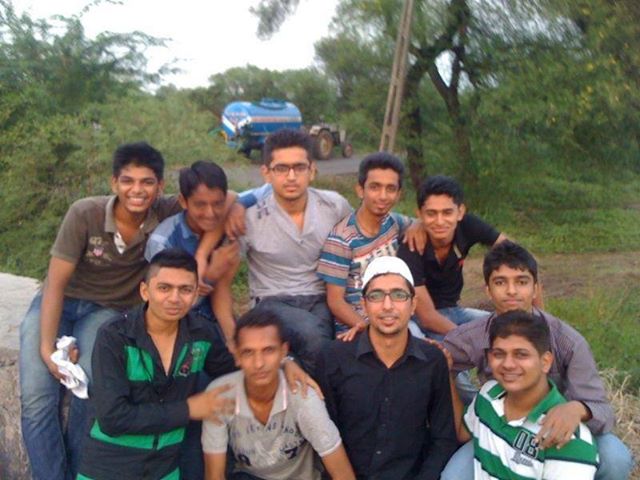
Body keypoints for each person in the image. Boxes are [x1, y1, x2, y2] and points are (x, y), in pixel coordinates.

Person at [77, 249, 319, 480]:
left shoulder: (200, 333)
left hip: (164, 470)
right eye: (164, 288)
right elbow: (112, 418)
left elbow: (240, 366)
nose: (174, 298)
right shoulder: (115, 336)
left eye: (185, 290)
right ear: (145, 291)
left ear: (195, 295)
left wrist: (285, 362)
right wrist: (188, 409)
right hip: (108, 467)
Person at [19, 141, 182, 480]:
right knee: (37, 397)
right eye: (128, 181)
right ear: (114, 183)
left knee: (92, 387)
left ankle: (81, 472)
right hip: (62, 301)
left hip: (108, 310)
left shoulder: (164, 213)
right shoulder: (85, 213)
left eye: (147, 182)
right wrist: (48, 351)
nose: (137, 190)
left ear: (160, 186)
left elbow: (217, 195)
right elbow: (55, 284)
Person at [440, 241, 634, 480]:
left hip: (556, 429)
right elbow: (438, 359)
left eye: (521, 282)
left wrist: (576, 409)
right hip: (499, 426)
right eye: (500, 282)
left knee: (615, 457)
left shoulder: (568, 342)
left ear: (535, 289)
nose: (511, 291)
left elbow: (602, 409)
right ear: (488, 290)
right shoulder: (472, 336)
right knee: (453, 476)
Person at [316, 256, 458, 479]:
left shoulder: (432, 361)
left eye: (399, 295)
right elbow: (323, 433)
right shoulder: (334, 357)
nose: (388, 306)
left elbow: (443, 438)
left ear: (413, 305)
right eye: (376, 296)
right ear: (364, 304)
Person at [235, 128, 352, 371]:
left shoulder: (333, 206)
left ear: (312, 170)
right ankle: (316, 392)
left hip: (321, 295)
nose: (291, 177)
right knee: (314, 336)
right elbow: (224, 268)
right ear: (266, 173)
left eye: (299, 167)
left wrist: (414, 225)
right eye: (281, 168)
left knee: (343, 338)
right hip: (272, 299)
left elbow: (366, 229)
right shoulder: (249, 216)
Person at [202, 309, 356, 480]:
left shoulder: (302, 396)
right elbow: (214, 475)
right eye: (248, 352)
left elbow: (342, 472)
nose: (259, 363)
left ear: (283, 352)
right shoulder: (220, 396)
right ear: (237, 355)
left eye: (268, 350)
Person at [450, 310, 599, 479]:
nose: (508, 364)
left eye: (521, 355)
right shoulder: (488, 395)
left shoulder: (567, 437)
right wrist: (447, 373)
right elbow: (463, 431)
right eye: (499, 354)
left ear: (545, 362)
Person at [317, 152, 444, 338]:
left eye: (390, 189)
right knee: (421, 342)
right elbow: (336, 302)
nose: (383, 196)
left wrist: (418, 225)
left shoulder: (393, 223)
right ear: (360, 190)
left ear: (399, 194)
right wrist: (368, 327)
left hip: (397, 315)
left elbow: (421, 223)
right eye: (375, 187)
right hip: (358, 327)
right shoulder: (341, 239)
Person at [397, 174, 507, 338]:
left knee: (505, 328)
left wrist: (539, 316)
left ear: (460, 212)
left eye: (447, 212)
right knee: (424, 346)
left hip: (454, 311)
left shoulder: (468, 225)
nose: (440, 221)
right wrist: (466, 339)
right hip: (416, 318)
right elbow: (427, 317)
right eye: (431, 214)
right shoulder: (410, 247)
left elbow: (517, 254)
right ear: (420, 214)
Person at [144, 160, 239, 347]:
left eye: (218, 204)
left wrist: (233, 341)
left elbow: (222, 291)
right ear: (183, 201)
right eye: (200, 205)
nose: (210, 213)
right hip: (174, 326)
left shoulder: (225, 230)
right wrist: (210, 276)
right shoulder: (163, 242)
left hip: (214, 318)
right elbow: (166, 304)